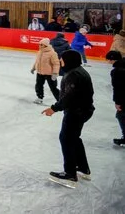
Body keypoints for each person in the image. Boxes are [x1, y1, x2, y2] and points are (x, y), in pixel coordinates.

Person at [41, 50, 95, 187]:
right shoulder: (78, 71)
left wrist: (54, 108)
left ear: (68, 60)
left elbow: (70, 97)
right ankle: (83, 168)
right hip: (83, 110)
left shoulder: (73, 74)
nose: (60, 61)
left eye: (62, 59)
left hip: (76, 111)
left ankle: (70, 175)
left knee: (66, 138)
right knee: (73, 138)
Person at [30, 38, 60, 104]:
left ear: (46, 45)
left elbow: (56, 64)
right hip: (40, 72)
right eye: (39, 44)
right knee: (38, 86)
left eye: (41, 44)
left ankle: (61, 100)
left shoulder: (52, 53)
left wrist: (55, 73)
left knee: (53, 88)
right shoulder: (39, 52)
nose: (40, 46)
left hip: (49, 73)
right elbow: (37, 62)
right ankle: (40, 97)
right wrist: (33, 68)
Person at [105, 50, 125, 146]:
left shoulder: (117, 71)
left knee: (121, 115)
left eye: (108, 60)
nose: (108, 62)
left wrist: (117, 102)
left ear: (112, 59)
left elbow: (118, 88)